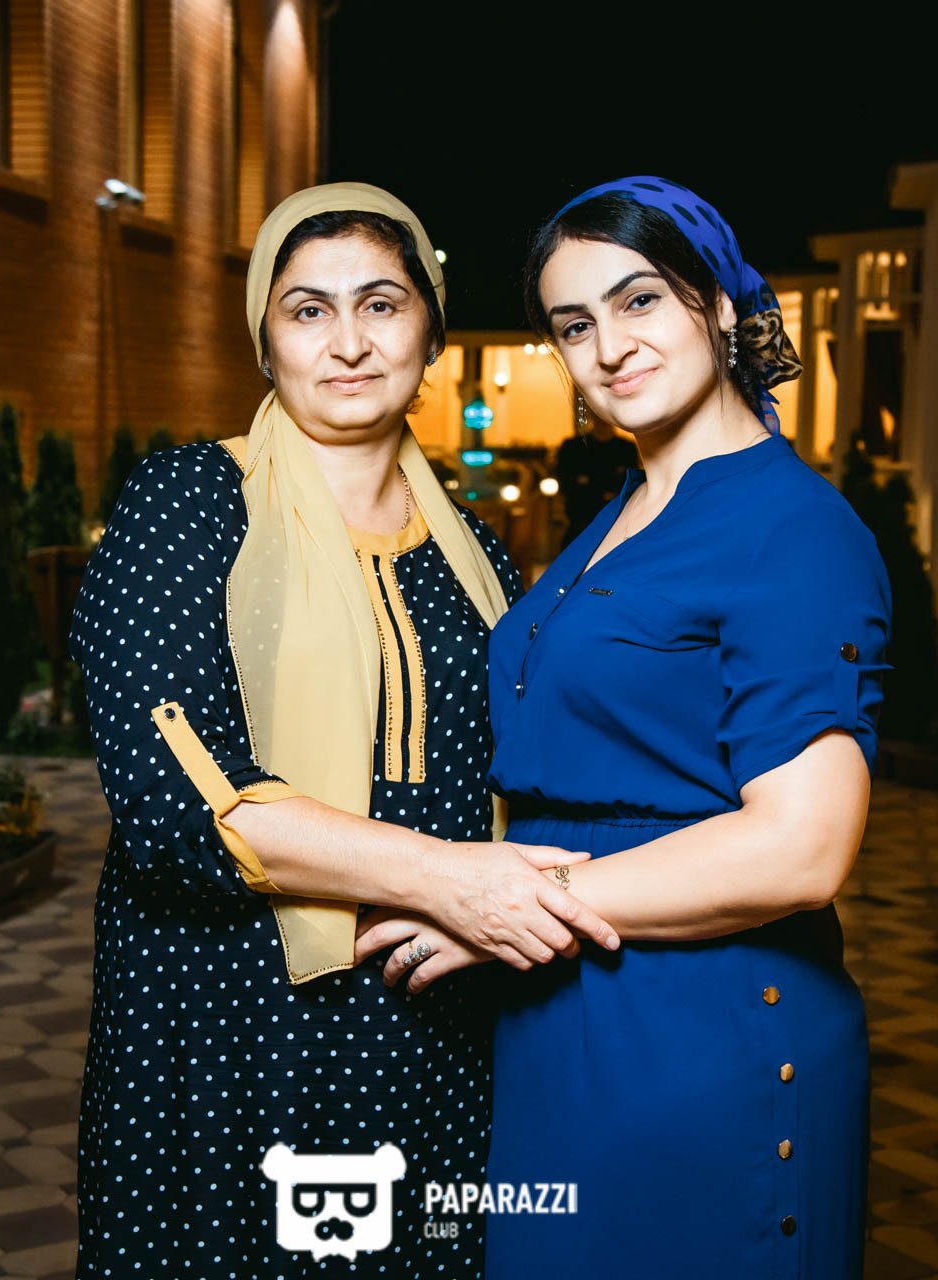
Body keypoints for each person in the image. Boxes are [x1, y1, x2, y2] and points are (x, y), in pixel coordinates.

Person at [69, 182, 620, 1279]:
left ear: (431, 331)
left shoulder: (474, 551)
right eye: (308, 310)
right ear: (265, 340)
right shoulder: (189, 503)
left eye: (381, 303)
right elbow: (178, 803)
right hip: (229, 1019)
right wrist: (446, 878)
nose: (349, 342)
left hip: (434, 1014)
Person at [357, 177, 892, 1277]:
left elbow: (803, 846)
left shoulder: (793, 527)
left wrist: (510, 905)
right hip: (562, 1014)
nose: (608, 347)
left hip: (703, 1027)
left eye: (639, 299)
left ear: (723, 306)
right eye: (574, 324)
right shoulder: (626, 508)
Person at [552, 408, 639, 546]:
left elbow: (630, 484)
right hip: (581, 521)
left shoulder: (626, 449)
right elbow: (565, 481)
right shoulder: (573, 447)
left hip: (616, 522)